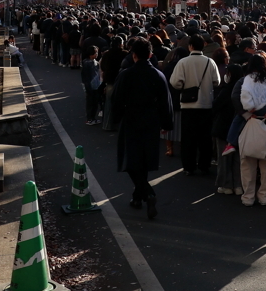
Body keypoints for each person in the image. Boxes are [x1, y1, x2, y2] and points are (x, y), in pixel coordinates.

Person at [111, 38, 174, 219]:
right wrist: (166, 124)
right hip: (151, 121)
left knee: (130, 161)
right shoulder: (158, 75)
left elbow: (116, 100)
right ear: (151, 55)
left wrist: (116, 118)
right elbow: (165, 102)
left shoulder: (126, 74)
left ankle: (148, 193)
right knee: (144, 161)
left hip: (131, 119)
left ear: (134, 55)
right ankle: (137, 197)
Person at [236, 53, 266, 207]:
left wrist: (245, 114)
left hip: (248, 125)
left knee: (247, 163)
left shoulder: (244, 80)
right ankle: (265, 195)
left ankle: (248, 196)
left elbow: (234, 97)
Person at [169, 35, 221, 176]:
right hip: (206, 104)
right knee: (205, 138)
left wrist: (184, 87)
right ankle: (204, 165)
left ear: (190, 46)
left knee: (188, 138)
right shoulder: (210, 62)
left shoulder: (183, 62)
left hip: (188, 105)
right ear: (203, 46)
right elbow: (217, 82)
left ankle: (188, 166)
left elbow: (175, 82)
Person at [213, 63, 245, 196]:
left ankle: (226, 185)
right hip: (240, 128)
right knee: (238, 158)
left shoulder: (225, 90)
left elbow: (215, 107)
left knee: (224, 157)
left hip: (223, 128)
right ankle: (238, 185)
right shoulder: (243, 90)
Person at [81, 46, 102, 125]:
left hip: (95, 85)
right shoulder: (88, 63)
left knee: (94, 103)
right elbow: (86, 77)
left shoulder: (92, 62)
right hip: (91, 86)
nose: (97, 54)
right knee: (91, 103)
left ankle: (92, 118)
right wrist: (87, 86)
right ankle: (90, 118)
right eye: (95, 52)